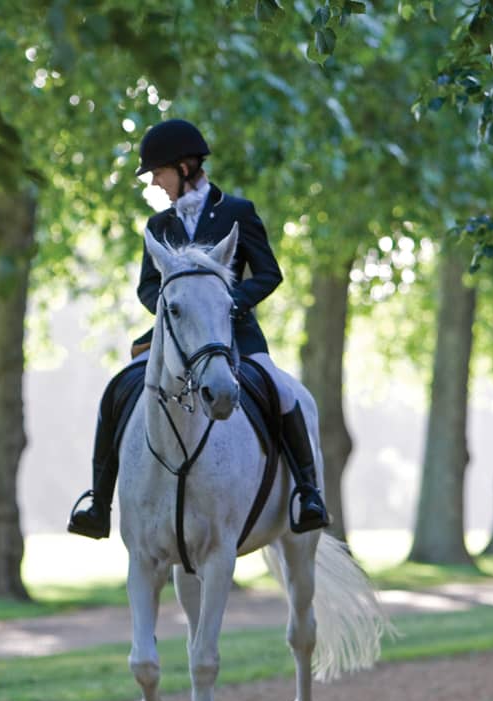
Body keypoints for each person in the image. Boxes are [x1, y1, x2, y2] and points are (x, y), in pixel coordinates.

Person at [66, 118, 329, 538]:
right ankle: (99, 502)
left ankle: (307, 492)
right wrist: (176, 309)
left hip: (235, 334)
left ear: (184, 167)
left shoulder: (238, 212)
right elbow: (147, 287)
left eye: (158, 172)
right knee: (117, 390)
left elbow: (269, 274)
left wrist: (227, 304)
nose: (154, 182)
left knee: (281, 391)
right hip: (178, 337)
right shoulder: (158, 226)